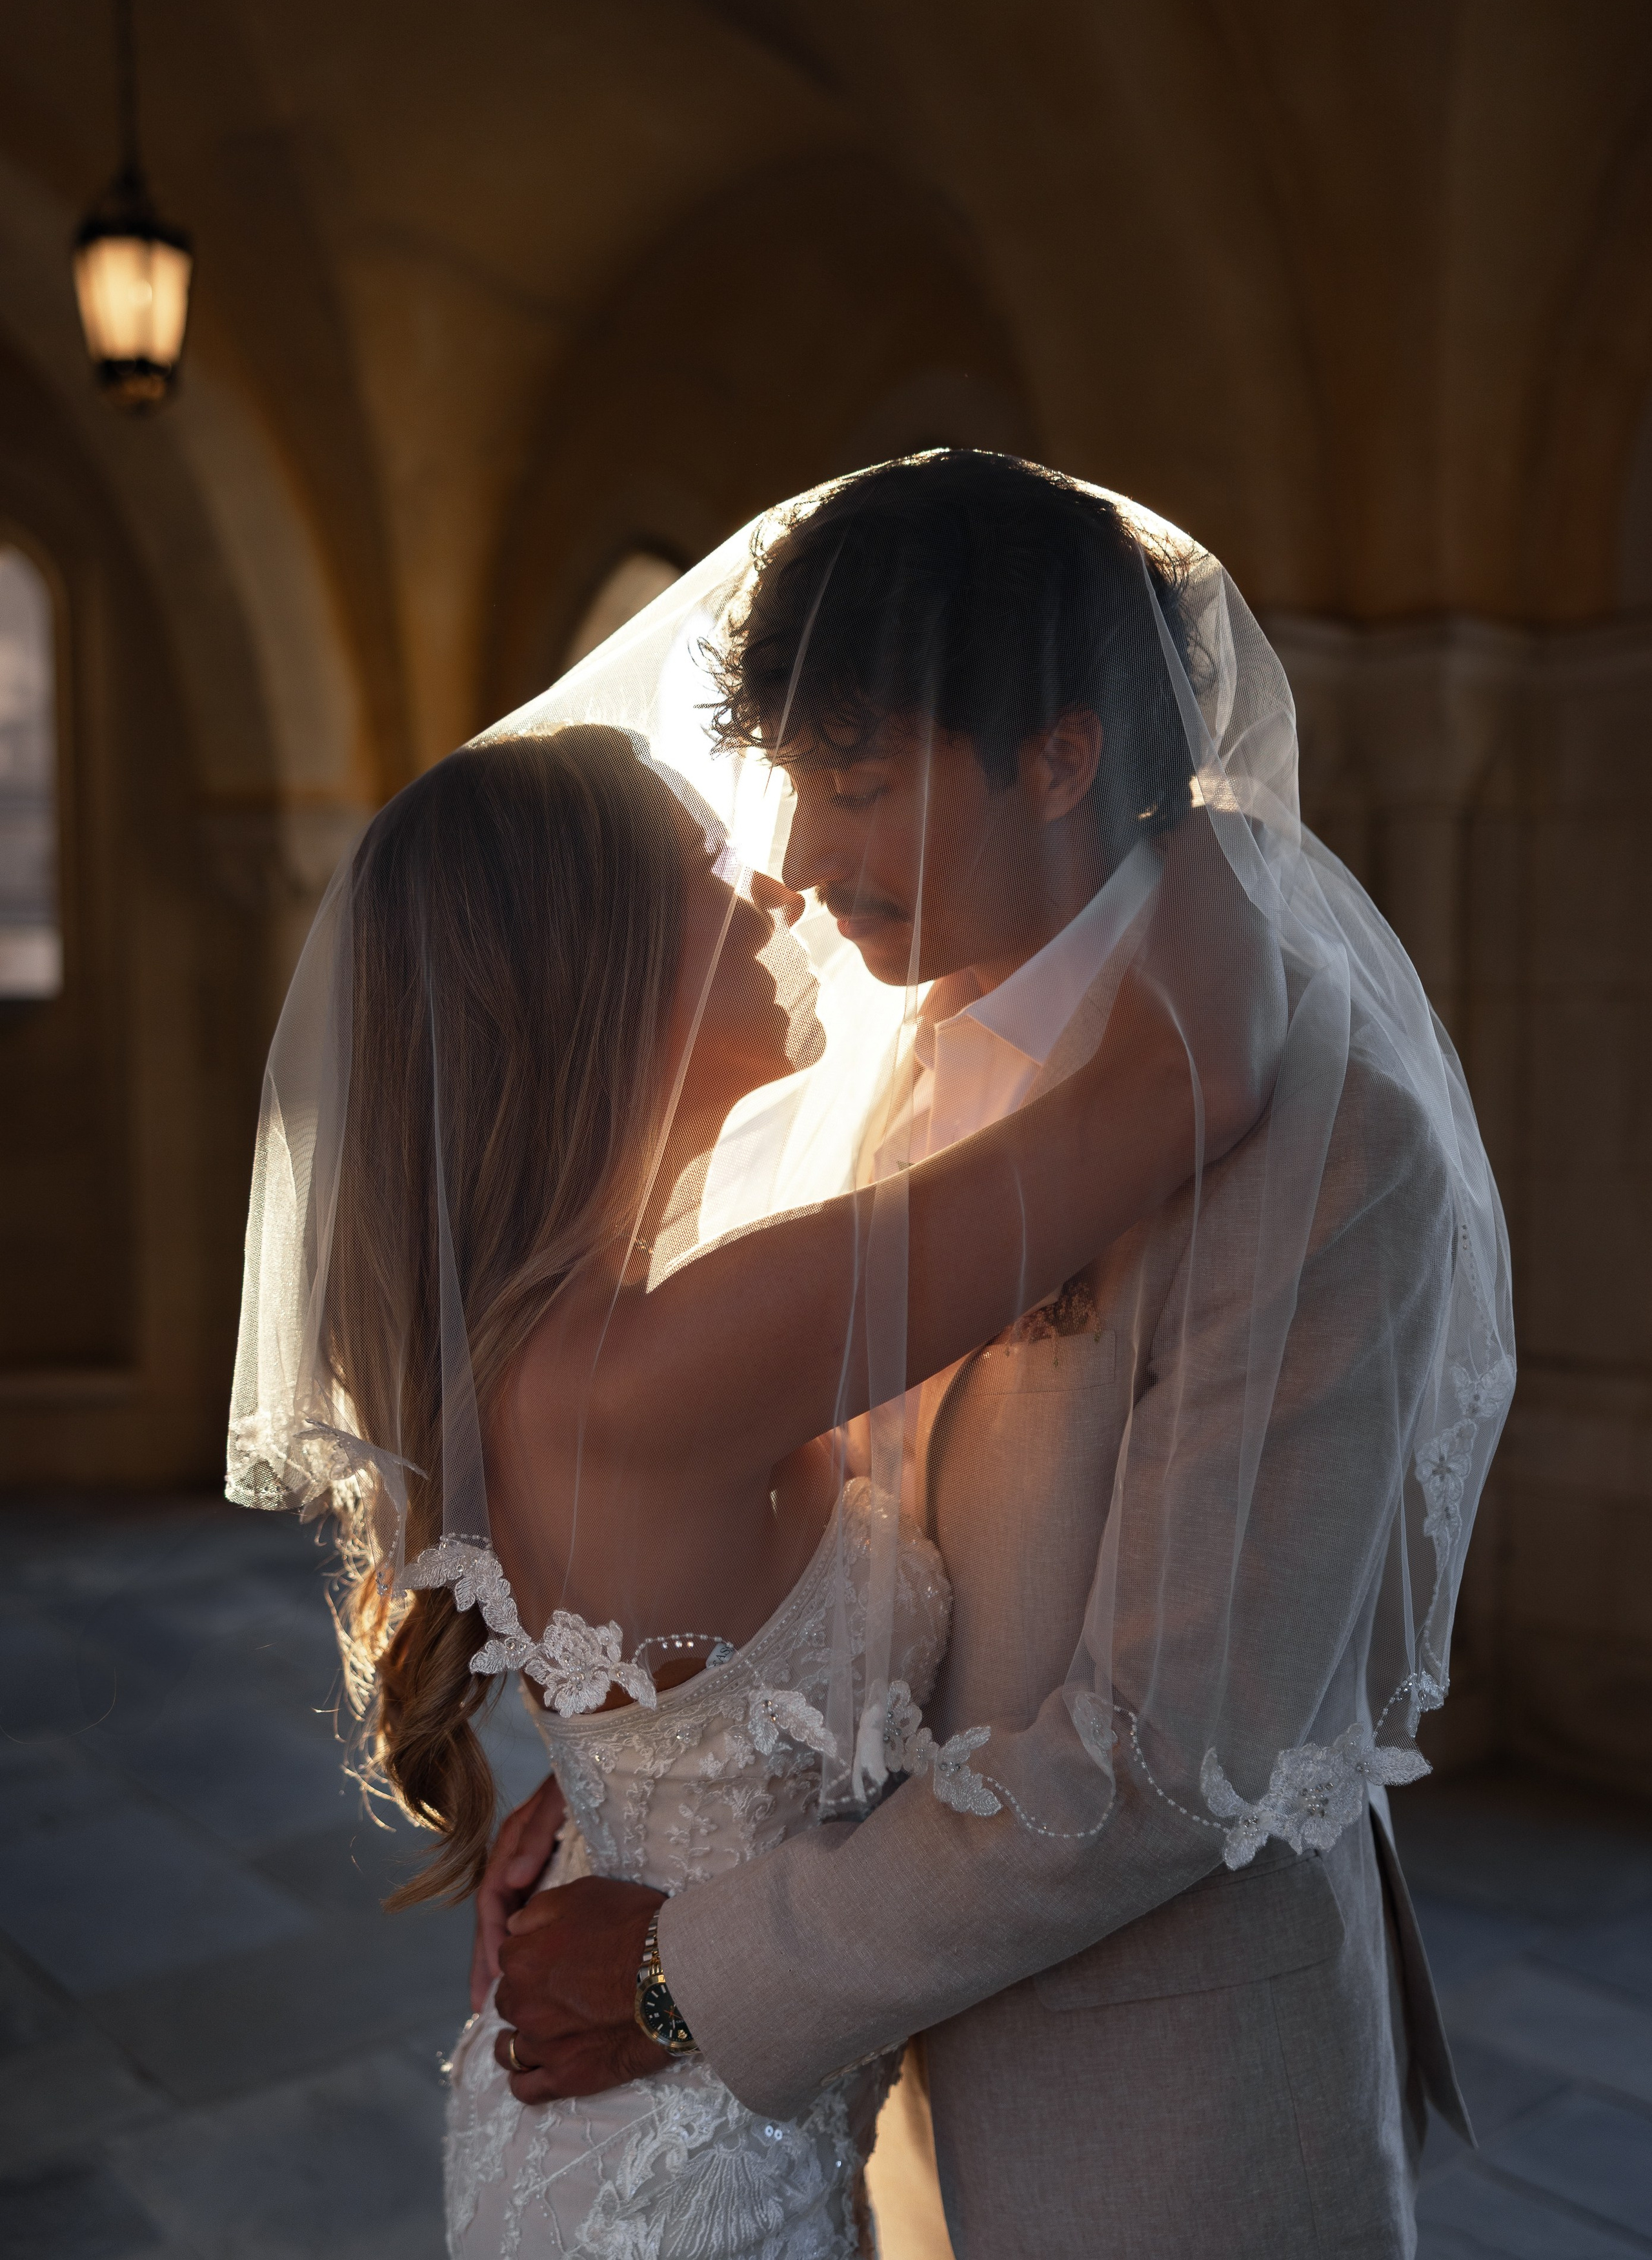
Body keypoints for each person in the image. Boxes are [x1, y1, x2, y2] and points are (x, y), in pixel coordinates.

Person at [468, 454, 1513, 2259]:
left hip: (1162, 2143)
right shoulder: (901, 1057)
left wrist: (678, 1961)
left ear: (1059, 752)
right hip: (881, 2108)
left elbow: (1169, 1758)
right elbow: (853, 1536)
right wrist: (671, 1747)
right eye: (795, 787)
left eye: (857, 787)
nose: (802, 865)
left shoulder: (1329, 1142)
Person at [224, 615, 1280, 2250]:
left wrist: (598, 1799)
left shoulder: (593, 1341)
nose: (778, 888)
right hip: (683, 2186)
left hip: (668, 2126)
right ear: (599, 966)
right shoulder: (665, 1360)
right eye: (709, 869)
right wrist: (1166, 796)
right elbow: (1182, 1093)